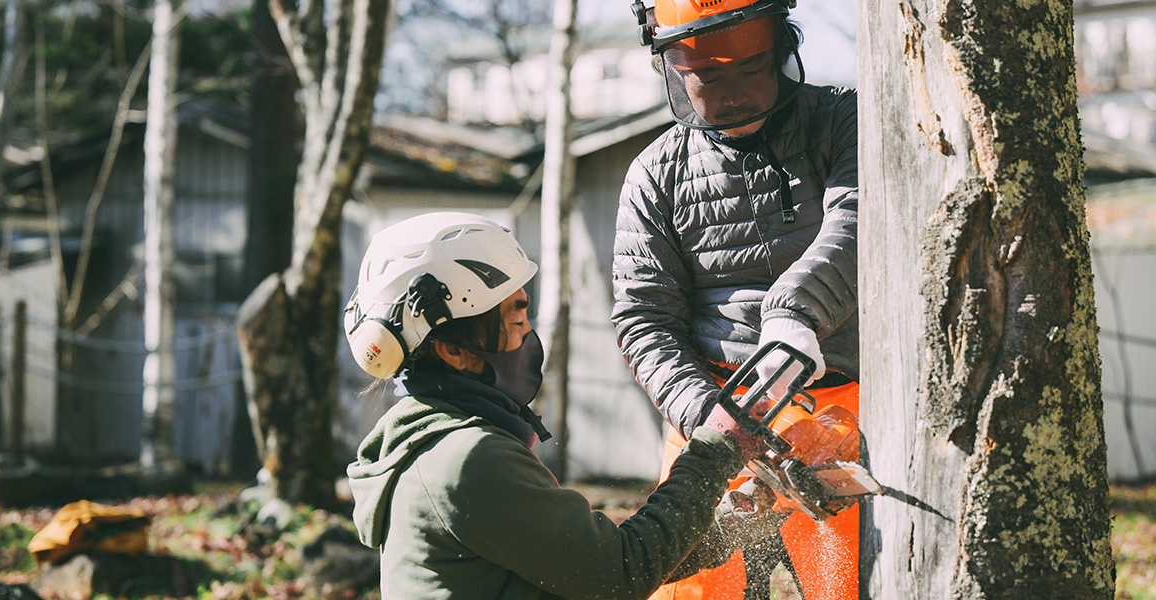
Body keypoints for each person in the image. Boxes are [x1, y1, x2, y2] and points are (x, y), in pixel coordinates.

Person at [342, 211, 785, 600]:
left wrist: (736, 522)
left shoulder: (430, 448)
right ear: (452, 351)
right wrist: (714, 451)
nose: (528, 333)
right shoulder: (466, 459)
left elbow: (585, 567)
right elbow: (619, 573)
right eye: (514, 319)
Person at [614, 0, 861, 598]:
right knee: (691, 585)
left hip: (836, 402)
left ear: (782, 49)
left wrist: (794, 316)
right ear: (673, 70)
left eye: (752, 69)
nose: (736, 94)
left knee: (847, 582)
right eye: (710, 77)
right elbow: (645, 320)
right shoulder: (655, 174)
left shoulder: (842, 121)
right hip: (714, 405)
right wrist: (709, 420)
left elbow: (857, 221)